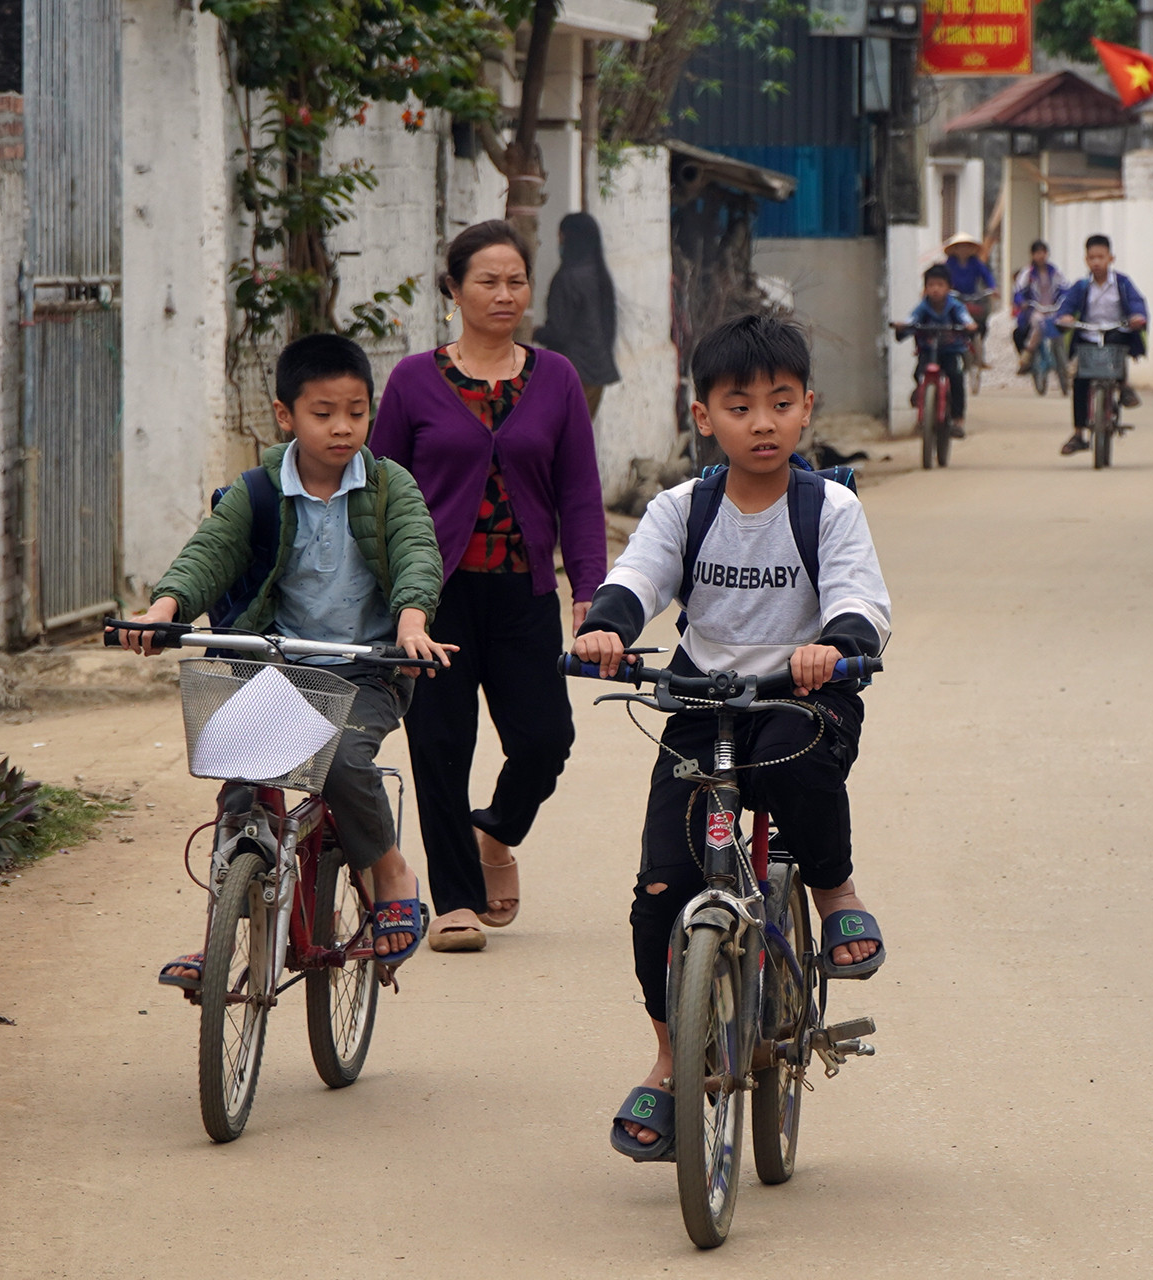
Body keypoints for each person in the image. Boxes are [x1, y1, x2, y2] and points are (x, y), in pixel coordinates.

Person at [570, 313, 891, 1159]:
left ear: (807, 409)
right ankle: (672, 1059)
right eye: (740, 405)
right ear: (702, 414)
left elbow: (861, 598)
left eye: (780, 404)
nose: (762, 421)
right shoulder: (685, 507)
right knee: (657, 891)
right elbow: (637, 576)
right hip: (702, 703)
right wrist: (607, 625)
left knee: (793, 770)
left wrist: (840, 644)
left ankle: (834, 894)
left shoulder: (830, 508)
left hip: (802, 695)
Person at [112, 334, 458, 986]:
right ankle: (218, 940)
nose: (342, 427)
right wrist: (163, 608)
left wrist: (412, 619)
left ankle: (390, 873)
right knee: (240, 791)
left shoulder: (389, 486)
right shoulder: (257, 492)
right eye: (323, 412)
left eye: (356, 411)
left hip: (365, 670)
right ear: (285, 414)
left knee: (346, 759)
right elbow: (209, 552)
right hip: (270, 667)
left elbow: (417, 550)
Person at [372, 220, 608, 953]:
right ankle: (455, 903)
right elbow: (378, 490)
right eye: (487, 281)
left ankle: (496, 830)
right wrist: (382, 593)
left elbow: (579, 494)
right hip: (433, 599)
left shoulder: (558, 378)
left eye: (516, 281)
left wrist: (590, 592)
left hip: (524, 592)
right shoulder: (414, 380)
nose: (504, 294)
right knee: (439, 744)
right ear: (454, 289)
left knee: (546, 737)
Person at [1055, 233, 1148, 456]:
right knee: (1080, 382)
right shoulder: (1081, 286)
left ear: (1110, 258)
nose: (1096, 262)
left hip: (1117, 331)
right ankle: (1078, 433)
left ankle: (1123, 386)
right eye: (1091, 258)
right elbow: (1066, 306)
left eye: (1101, 257)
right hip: (1089, 335)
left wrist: (1137, 316)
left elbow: (1137, 303)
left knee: (1118, 345)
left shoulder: (1122, 284)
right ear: (1086, 260)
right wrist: (1065, 317)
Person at [533, 212, 621, 417]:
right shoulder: (598, 275)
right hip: (597, 373)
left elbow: (559, 333)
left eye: (561, 238)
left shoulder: (566, 279)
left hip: (572, 372)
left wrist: (535, 332)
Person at [894, 262, 977, 437]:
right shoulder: (923, 307)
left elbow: (965, 318)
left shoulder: (955, 306)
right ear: (925, 288)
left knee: (956, 378)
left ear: (948, 287)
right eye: (931, 285)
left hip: (951, 351)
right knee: (919, 373)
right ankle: (923, 411)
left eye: (940, 285)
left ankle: (957, 420)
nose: (935, 289)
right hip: (928, 351)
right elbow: (912, 318)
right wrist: (903, 325)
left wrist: (969, 325)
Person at [1010, 239, 1065, 372]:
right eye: (1037, 253)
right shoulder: (1027, 273)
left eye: (1043, 252)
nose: (1041, 256)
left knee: (1061, 326)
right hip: (1035, 309)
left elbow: (1064, 286)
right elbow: (1017, 291)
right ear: (1032, 255)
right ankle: (1028, 353)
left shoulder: (1054, 271)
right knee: (1039, 323)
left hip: (1052, 307)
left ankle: (1064, 361)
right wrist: (1021, 302)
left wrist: (1065, 298)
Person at [943, 232, 998, 365]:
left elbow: (986, 276)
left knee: (981, 324)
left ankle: (978, 353)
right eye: (960, 247)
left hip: (973, 297)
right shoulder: (950, 263)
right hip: (955, 297)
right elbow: (943, 276)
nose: (963, 250)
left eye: (966, 246)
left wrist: (993, 288)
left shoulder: (975, 263)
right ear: (955, 249)